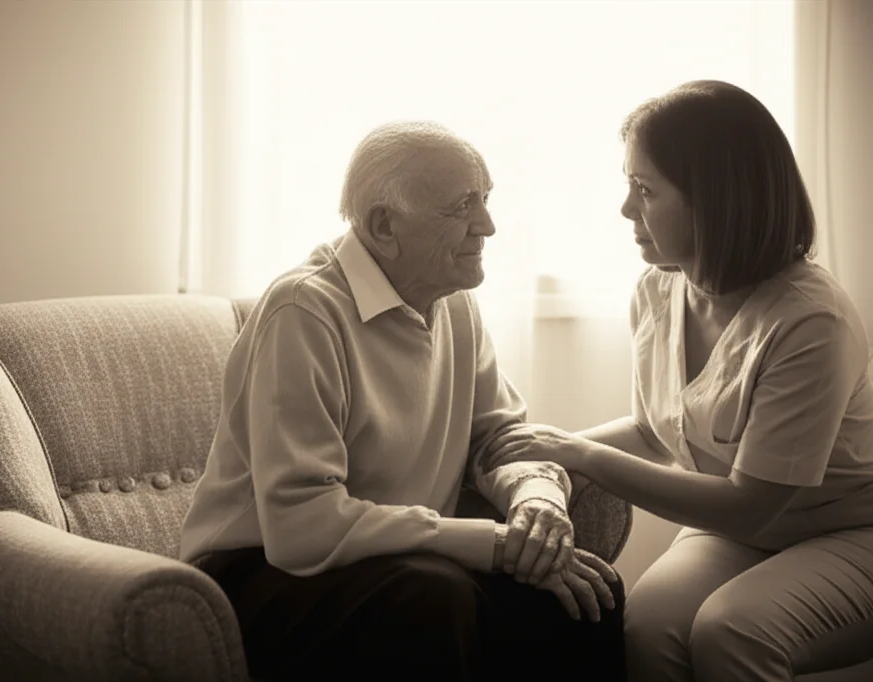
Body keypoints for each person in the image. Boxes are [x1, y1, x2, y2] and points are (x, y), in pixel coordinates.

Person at [179, 121, 627, 681]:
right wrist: (490, 543)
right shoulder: (304, 312)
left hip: (399, 560)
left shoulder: (455, 302)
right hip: (258, 573)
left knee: (587, 594)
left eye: (485, 199)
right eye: (463, 206)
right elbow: (303, 525)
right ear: (383, 225)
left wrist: (537, 502)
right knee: (436, 597)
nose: (487, 224)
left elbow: (500, 439)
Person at [484, 80, 873, 682]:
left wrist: (579, 452)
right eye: (628, 186)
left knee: (733, 629)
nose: (625, 210)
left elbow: (749, 507)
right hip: (745, 530)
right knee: (645, 624)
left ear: (714, 200)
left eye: (644, 190)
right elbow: (654, 429)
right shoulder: (661, 287)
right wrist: (546, 458)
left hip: (850, 530)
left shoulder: (810, 322)